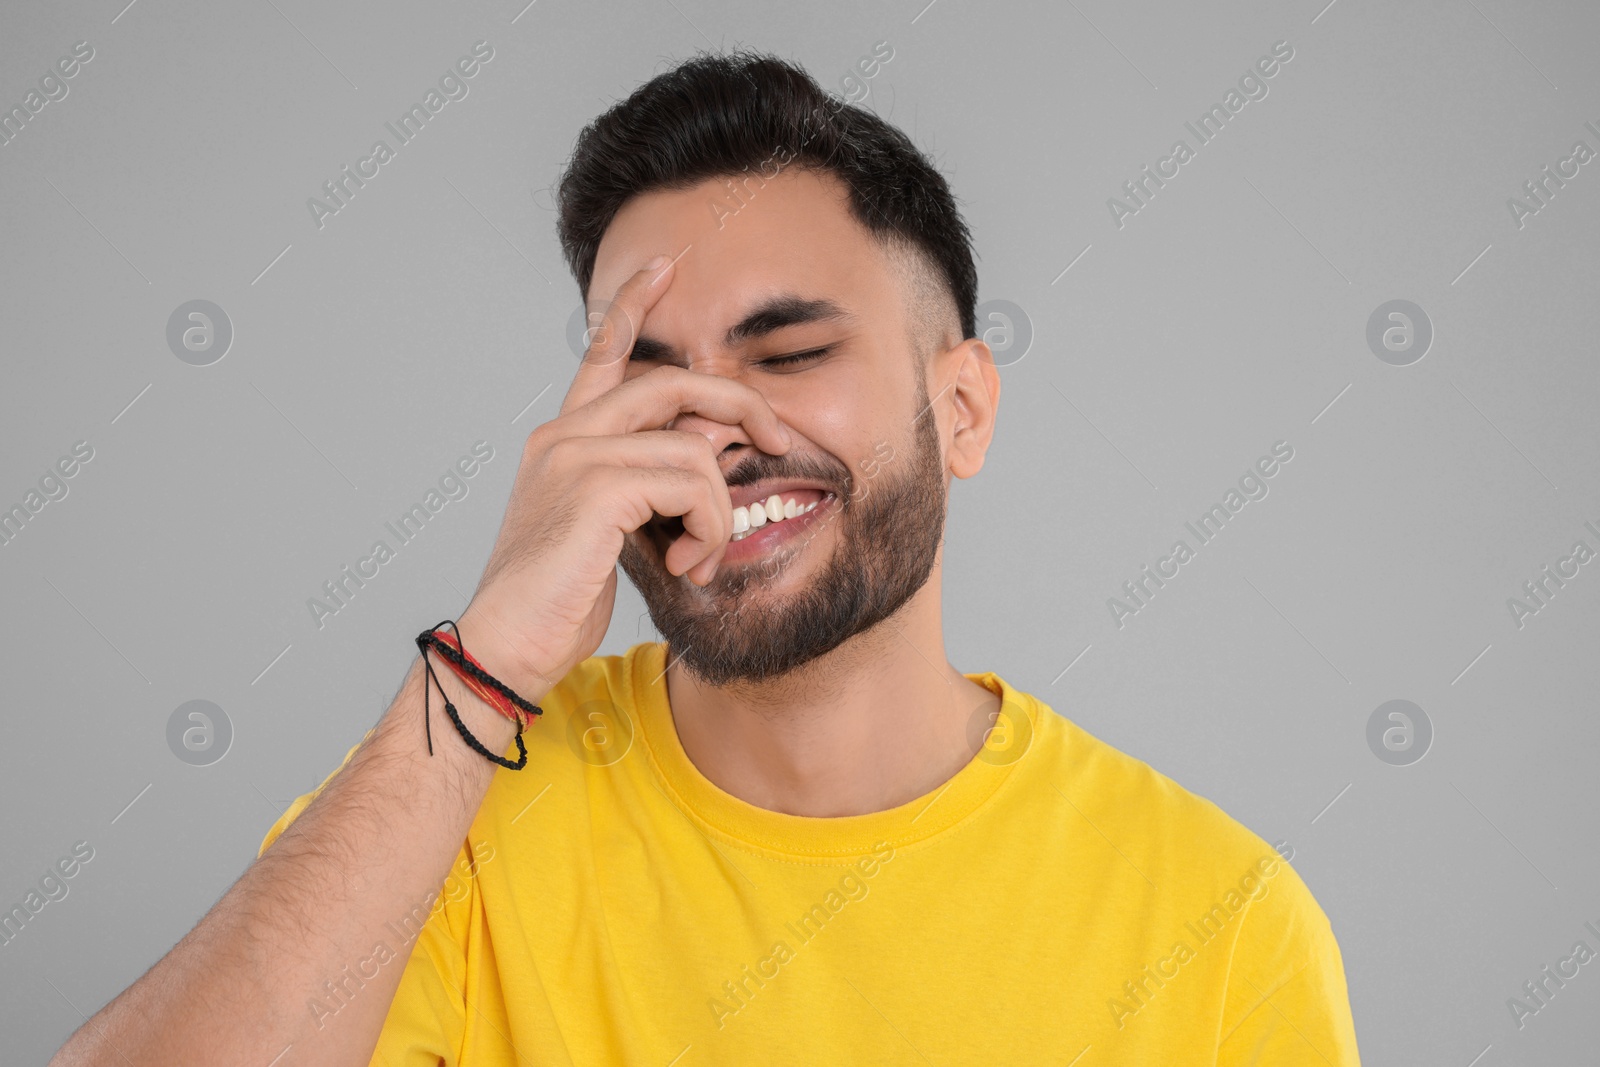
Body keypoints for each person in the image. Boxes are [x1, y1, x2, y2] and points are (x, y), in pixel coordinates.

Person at [50, 50, 1360, 1066]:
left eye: (791, 356)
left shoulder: (1217, 918)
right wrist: (490, 660)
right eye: (651, 376)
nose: (722, 431)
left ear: (960, 410)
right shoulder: (447, 803)